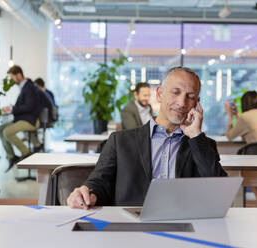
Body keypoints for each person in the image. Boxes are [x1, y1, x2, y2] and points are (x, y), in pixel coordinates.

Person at [67, 67, 227, 209]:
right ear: (159, 94)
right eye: (175, 92)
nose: (182, 102)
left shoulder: (202, 145)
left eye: (190, 97)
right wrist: (88, 193)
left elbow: (220, 191)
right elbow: (99, 182)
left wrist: (196, 136)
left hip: (184, 227)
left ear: (196, 103)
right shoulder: (120, 141)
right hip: (132, 229)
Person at [224, 91, 257, 206]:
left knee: (238, 167)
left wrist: (230, 116)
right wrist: (237, 117)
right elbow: (249, 126)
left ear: (244, 104)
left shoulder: (245, 117)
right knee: (245, 163)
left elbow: (230, 135)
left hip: (256, 161)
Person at [0, 65, 41, 172]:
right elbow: (24, 105)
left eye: (12, 77)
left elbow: (29, 106)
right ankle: (12, 157)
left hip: (30, 120)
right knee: (0, 129)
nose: (12, 80)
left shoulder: (29, 87)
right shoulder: (24, 87)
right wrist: (12, 108)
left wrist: (12, 109)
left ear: (19, 75)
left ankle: (27, 154)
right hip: (23, 118)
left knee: (7, 132)